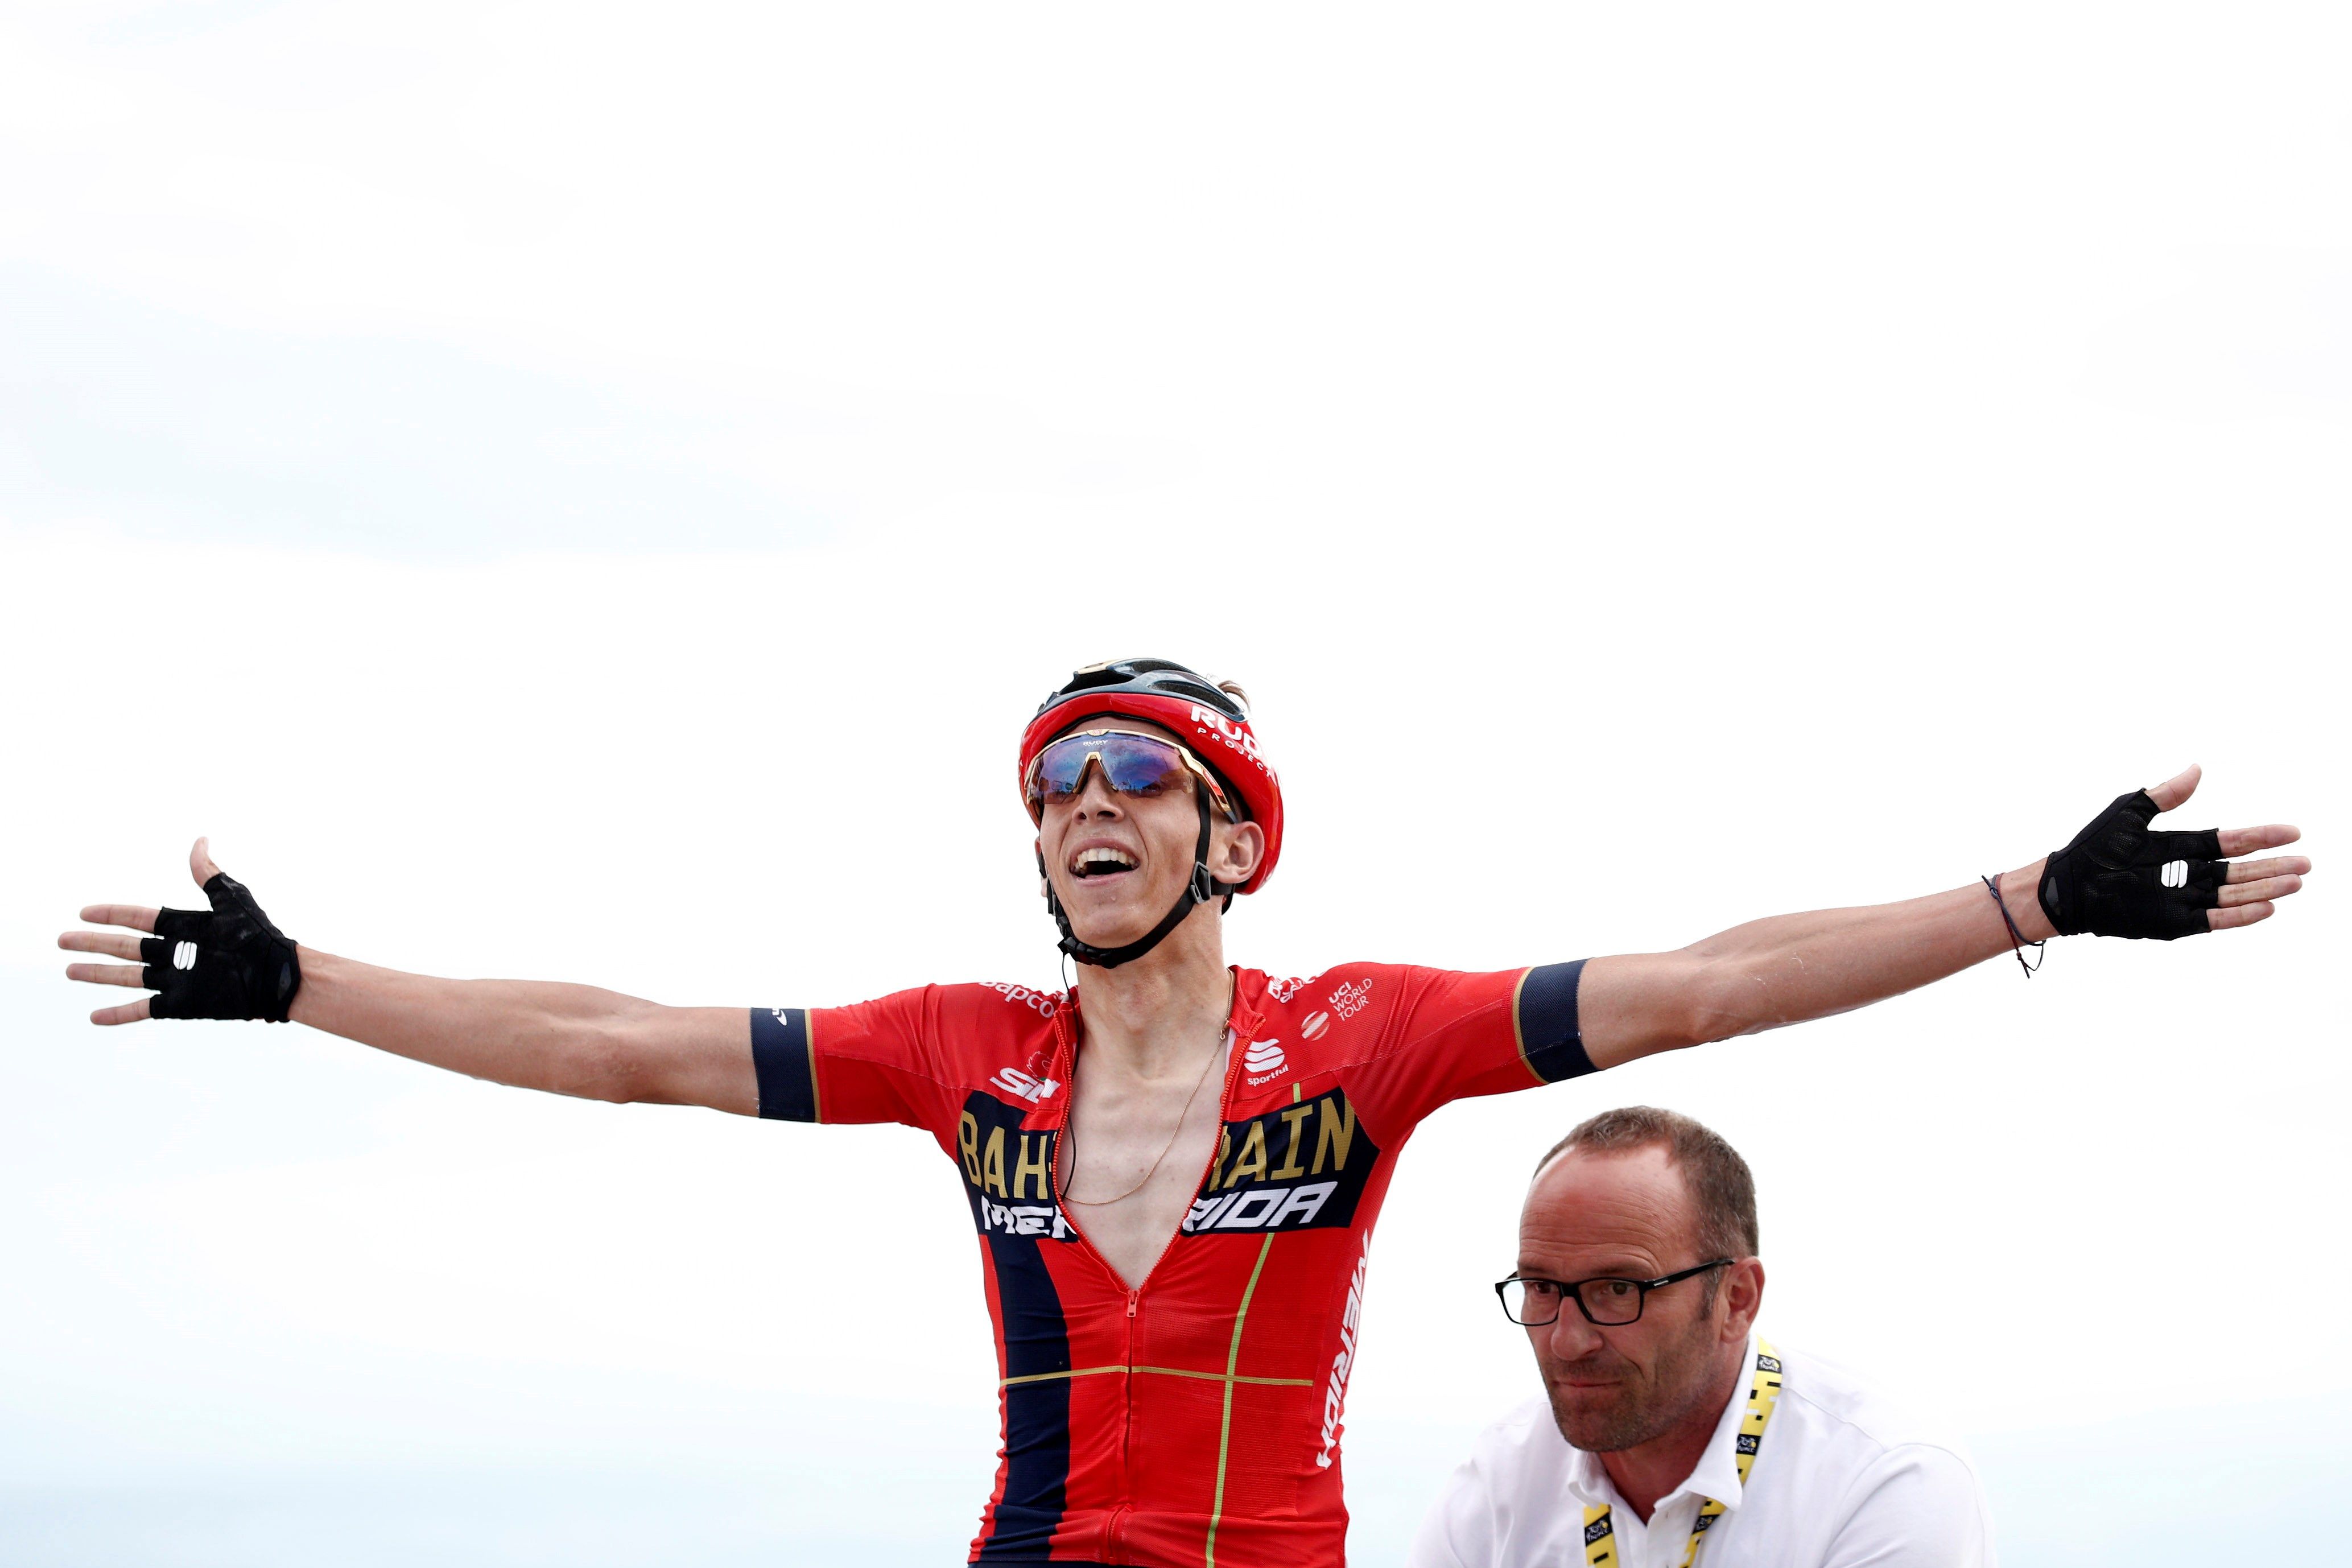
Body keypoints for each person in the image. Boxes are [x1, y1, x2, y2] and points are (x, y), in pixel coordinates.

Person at [59, 658, 2304, 1568]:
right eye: (1054, 781)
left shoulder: (1365, 1032)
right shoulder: (959, 1051)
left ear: (1230, 832)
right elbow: (625, 1037)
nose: (1086, 804)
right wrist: (300, 981)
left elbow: (1709, 977)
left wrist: (2037, 895)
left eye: (1136, 772)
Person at [1410, 1107, 1992, 1568]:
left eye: (1618, 1288)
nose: (1567, 1340)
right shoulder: (1503, 1479)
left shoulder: (1885, 1479)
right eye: (1540, 1284)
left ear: (1737, 1298)